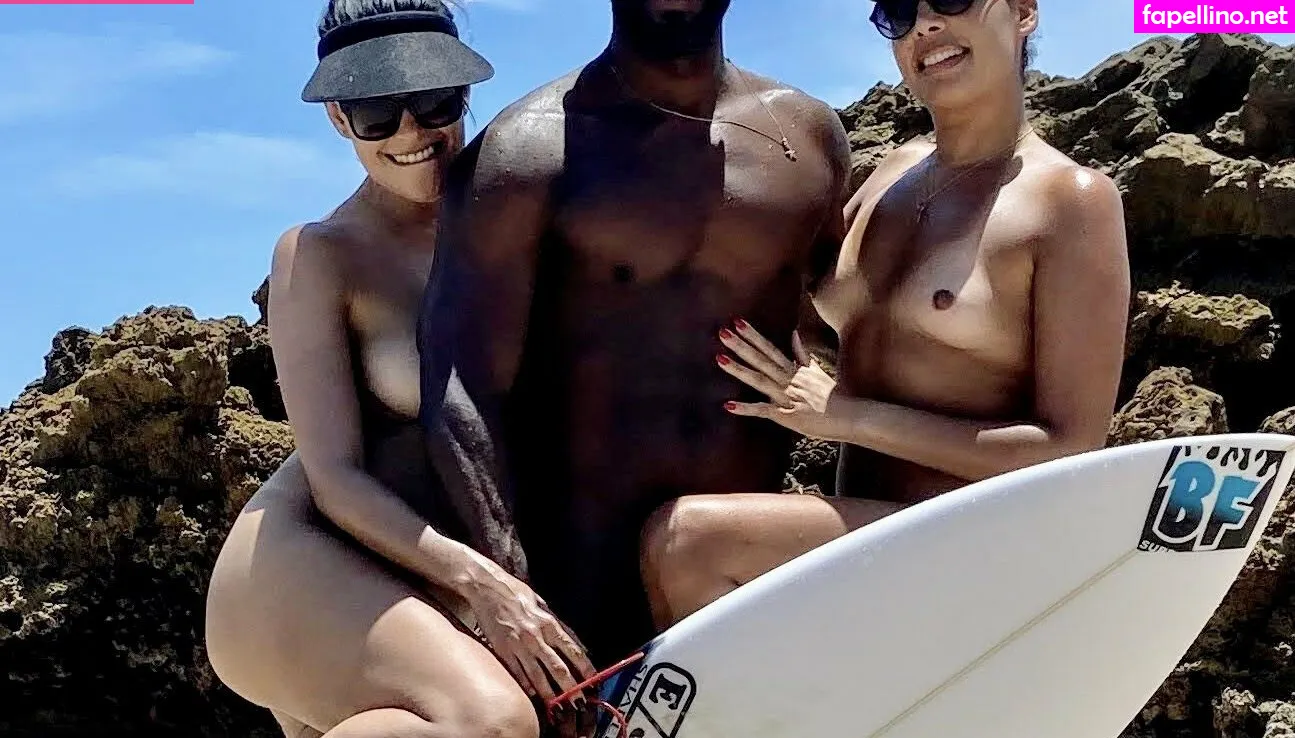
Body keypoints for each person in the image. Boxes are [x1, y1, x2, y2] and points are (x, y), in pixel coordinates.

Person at [642, 0, 1132, 626]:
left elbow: (1068, 446)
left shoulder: (1071, 200)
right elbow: (826, 326)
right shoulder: (887, 176)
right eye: (898, 11)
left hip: (980, 549)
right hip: (869, 539)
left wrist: (846, 417)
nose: (925, 25)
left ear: (1023, 12)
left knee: (689, 541)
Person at [417, 0, 853, 677]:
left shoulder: (807, 137)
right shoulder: (527, 149)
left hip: (738, 575)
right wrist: (518, 594)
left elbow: (844, 323)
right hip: (581, 584)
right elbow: (460, 386)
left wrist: (843, 400)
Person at [202, 3, 592, 738]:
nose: (412, 132)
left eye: (434, 101)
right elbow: (334, 476)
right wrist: (482, 586)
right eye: (376, 113)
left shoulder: (523, 222)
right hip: (311, 557)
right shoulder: (322, 255)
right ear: (338, 121)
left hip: (431, 559)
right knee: (490, 723)